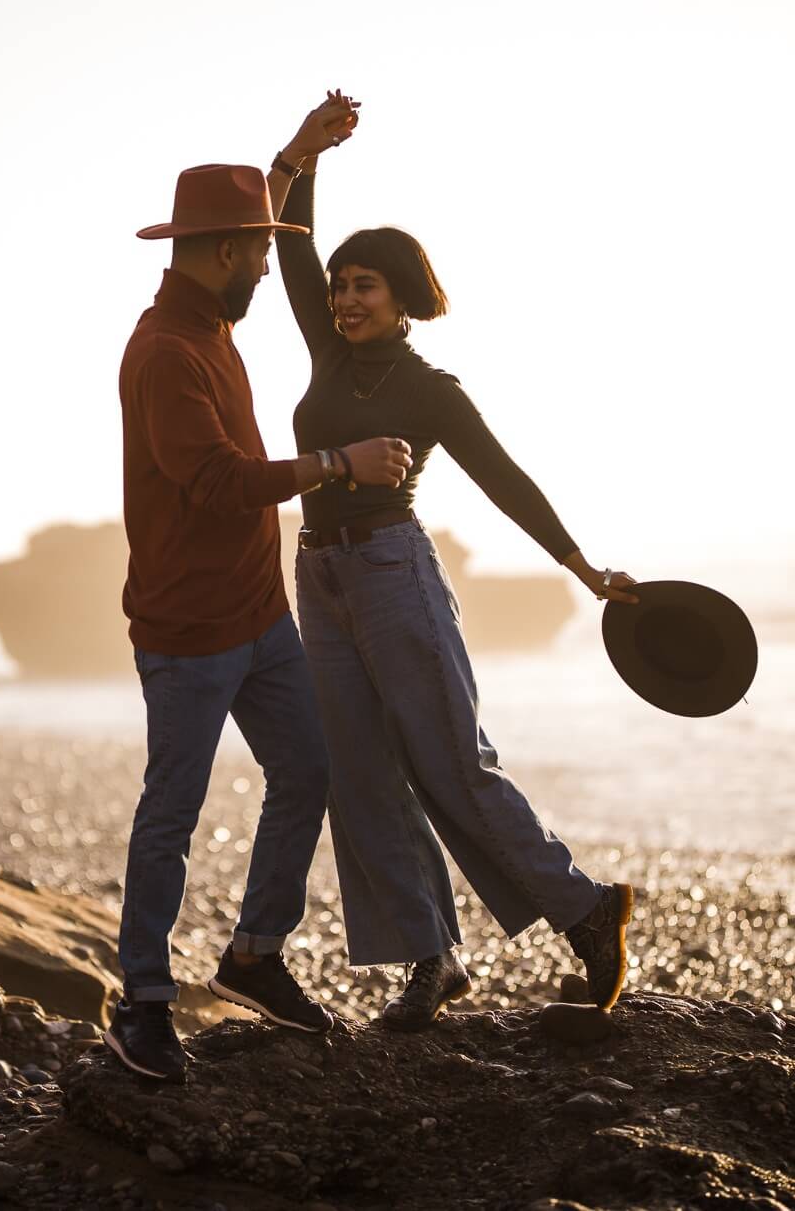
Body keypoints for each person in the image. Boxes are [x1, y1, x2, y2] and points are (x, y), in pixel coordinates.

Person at [274, 90, 640, 1030]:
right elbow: (289, 241)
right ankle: (432, 961)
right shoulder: (325, 352)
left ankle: (588, 910)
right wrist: (305, 152)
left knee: (451, 762)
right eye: (342, 283)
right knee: (359, 773)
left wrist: (584, 568)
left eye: (366, 285)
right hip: (319, 575)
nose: (346, 297)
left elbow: (505, 480)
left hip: (396, 574)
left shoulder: (431, 390)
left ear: (403, 298)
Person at [106, 98, 413, 1082]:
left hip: (258, 615)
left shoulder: (212, 304)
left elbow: (258, 210)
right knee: (172, 811)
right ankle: (142, 1001)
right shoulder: (164, 355)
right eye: (261, 251)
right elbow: (217, 484)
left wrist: (297, 155)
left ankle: (252, 955)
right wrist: (338, 463)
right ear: (226, 255)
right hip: (187, 629)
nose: (270, 266)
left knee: (308, 769)